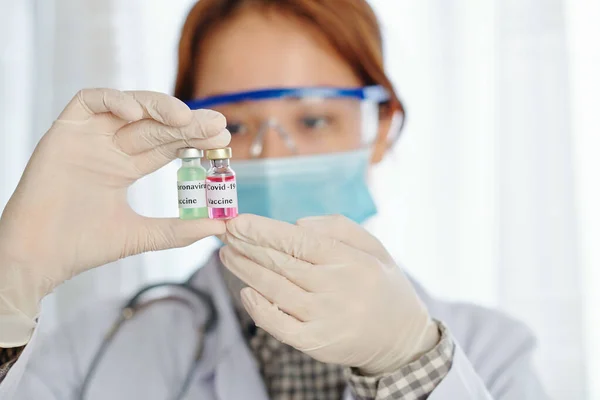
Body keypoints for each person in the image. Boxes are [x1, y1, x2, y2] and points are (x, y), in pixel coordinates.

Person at [0, 0, 549, 399]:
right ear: (188, 134)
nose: (271, 156)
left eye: (312, 119)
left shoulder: (492, 355)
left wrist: (412, 366)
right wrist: (7, 283)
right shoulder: (90, 352)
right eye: (233, 125)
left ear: (380, 129)